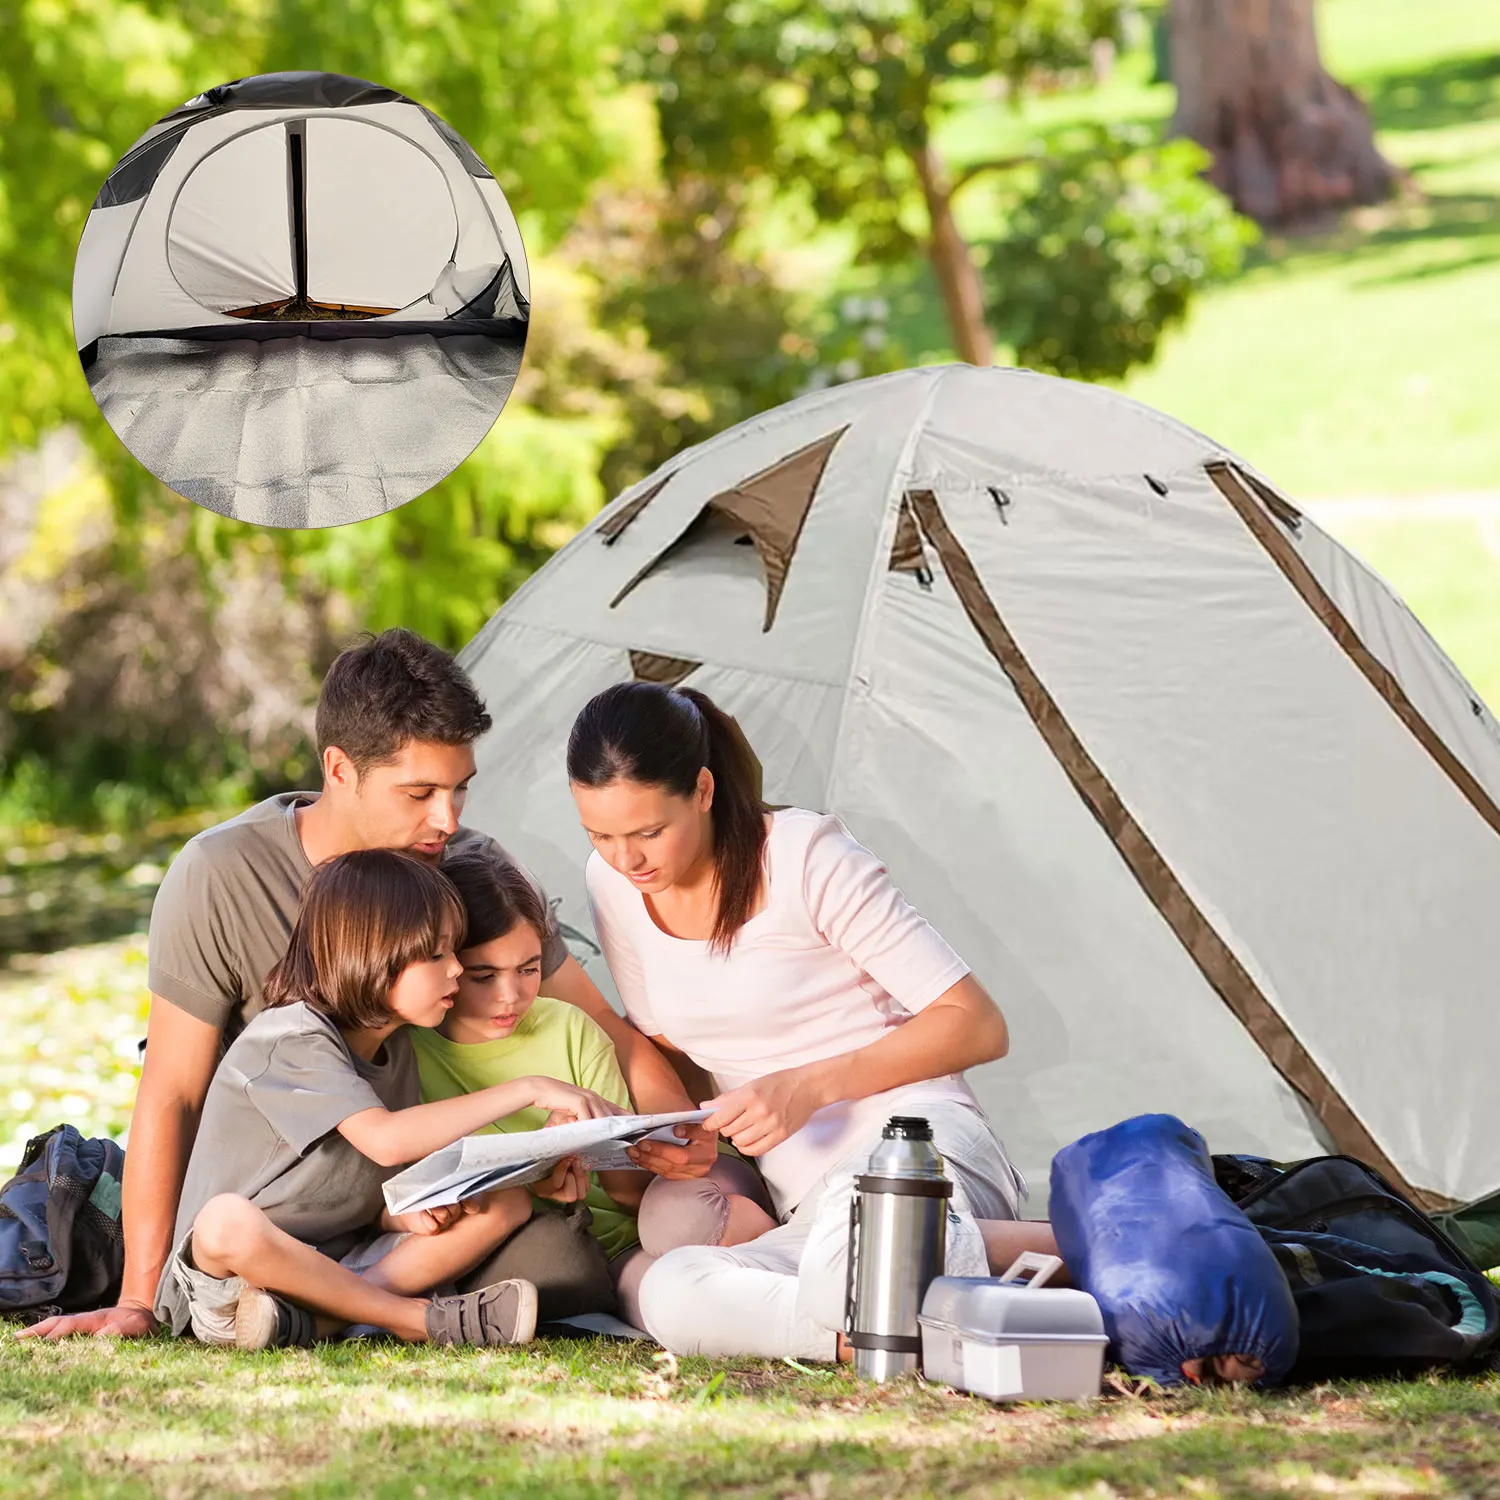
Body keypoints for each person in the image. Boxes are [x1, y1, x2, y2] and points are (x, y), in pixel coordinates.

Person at [22, 629, 695, 1342]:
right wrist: (137, 1299)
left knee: (558, 1261)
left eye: (460, 788)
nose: (449, 820)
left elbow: (605, 1028)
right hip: (282, 1203)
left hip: (405, 1206)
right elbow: (173, 1091)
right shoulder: (222, 876)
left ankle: (321, 1309)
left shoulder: (466, 864)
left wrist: (683, 1146)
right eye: (420, 792)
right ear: (339, 769)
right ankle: (358, 1309)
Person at [567, 681, 1054, 1361]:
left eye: (649, 831)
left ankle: (1056, 1252)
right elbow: (671, 1044)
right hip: (813, 1213)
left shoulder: (803, 856)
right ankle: (870, 1328)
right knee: (669, 1284)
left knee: (853, 1249)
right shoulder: (613, 883)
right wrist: (688, 1132)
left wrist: (810, 1086)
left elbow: (975, 1024)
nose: (628, 859)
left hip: (915, 1147)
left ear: (703, 791)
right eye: (601, 835)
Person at [154, 848, 618, 1350]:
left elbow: (357, 1188)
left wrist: (402, 1214)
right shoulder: (289, 1038)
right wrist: (528, 1088)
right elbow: (384, 1142)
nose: (456, 971)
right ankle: (411, 1318)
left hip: (344, 1265)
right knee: (224, 1221)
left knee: (502, 1203)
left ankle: (328, 1319)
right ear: (373, 956)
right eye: (437, 955)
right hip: (234, 1280)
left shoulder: (396, 1047)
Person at [412, 849, 778, 1330]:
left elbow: (630, 1195)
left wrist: (585, 1148)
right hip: (590, 1255)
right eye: (485, 977)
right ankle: (790, 1304)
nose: (512, 996)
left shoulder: (567, 1026)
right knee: (672, 1308)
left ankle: (799, 1259)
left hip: (647, 1216)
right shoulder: (412, 1051)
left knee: (680, 1222)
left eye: (529, 969)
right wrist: (541, 1178)